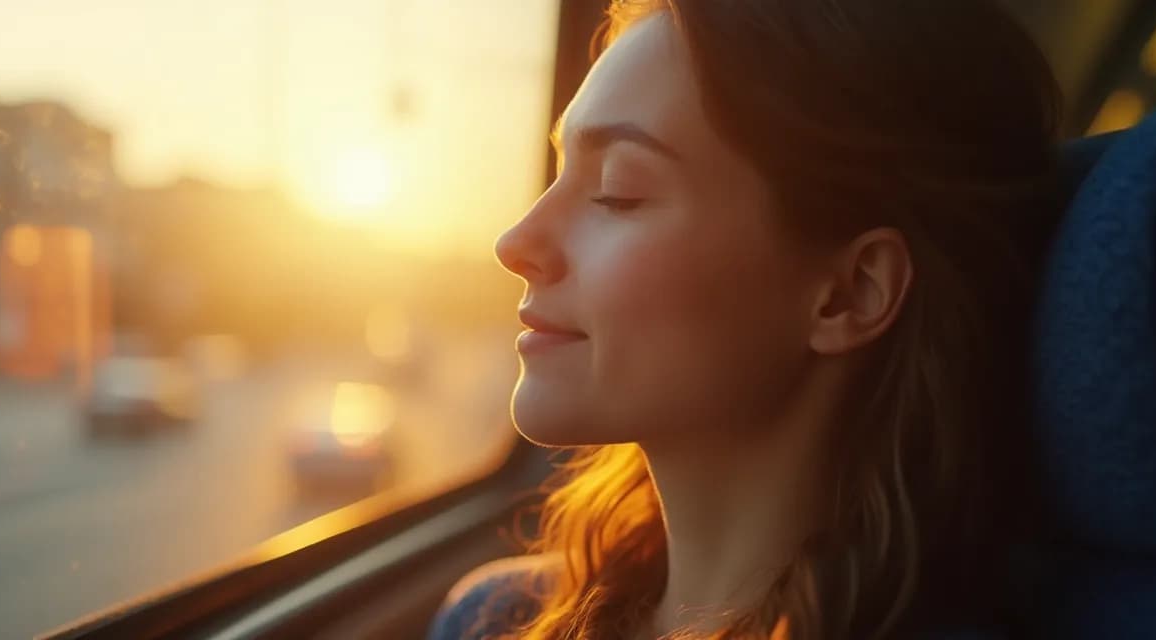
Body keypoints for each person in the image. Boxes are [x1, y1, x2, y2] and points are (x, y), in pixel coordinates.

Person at [432, 0, 1062, 638]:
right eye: (560, 170)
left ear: (850, 292)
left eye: (618, 189)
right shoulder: (494, 618)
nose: (515, 241)